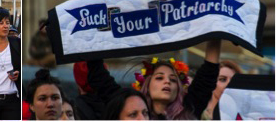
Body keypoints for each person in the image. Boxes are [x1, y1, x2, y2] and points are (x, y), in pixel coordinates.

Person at [85, 40, 221, 120]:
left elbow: (208, 74)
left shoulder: (190, 109)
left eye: (173, 80)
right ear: (147, 84)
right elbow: (100, 78)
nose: (167, 82)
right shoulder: (128, 102)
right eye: (159, 77)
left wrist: (215, 23)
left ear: (179, 89)